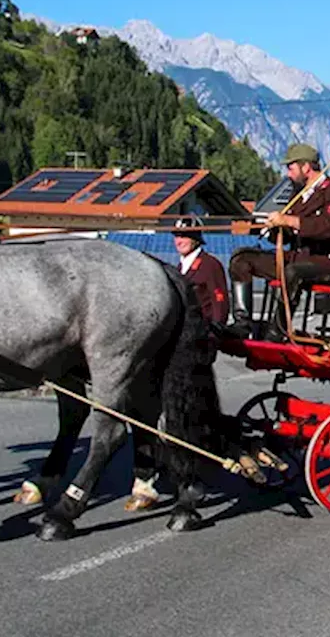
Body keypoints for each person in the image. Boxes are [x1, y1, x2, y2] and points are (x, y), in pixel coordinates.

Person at [125, 217, 231, 513]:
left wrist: (212, 338)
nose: (178, 240)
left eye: (184, 236)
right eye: (176, 235)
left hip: (197, 342)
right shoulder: (177, 268)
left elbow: (220, 304)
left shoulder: (209, 266)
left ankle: (196, 466)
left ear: (197, 237)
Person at [226, 143, 330, 340]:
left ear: (306, 167)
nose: (288, 174)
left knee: (292, 272)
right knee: (241, 259)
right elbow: (289, 235)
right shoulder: (298, 195)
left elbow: (329, 227)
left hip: (326, 261)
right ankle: (243, 323)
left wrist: (289, 221)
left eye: (291, 168)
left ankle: (278, 331)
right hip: (296, 257)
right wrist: (273, 230)